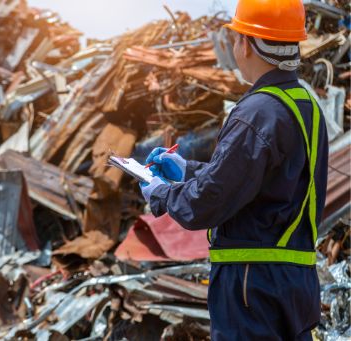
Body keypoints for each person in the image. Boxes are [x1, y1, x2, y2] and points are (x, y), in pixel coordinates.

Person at [140, 0, 328, 339]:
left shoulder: (257, 112)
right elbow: (257, 182)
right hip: (294, 283)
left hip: (251, 287)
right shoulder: (305, 105)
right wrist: (189, 170)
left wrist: (161, 192)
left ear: (246, 44)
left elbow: (206, 204)